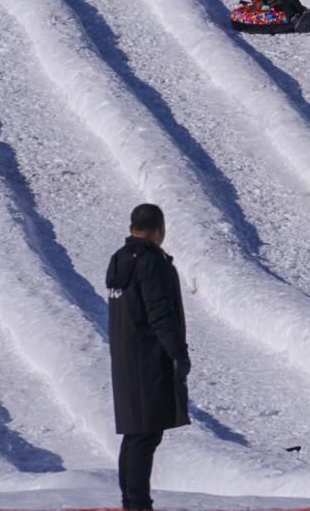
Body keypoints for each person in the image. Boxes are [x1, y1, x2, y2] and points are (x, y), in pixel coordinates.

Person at [106, 204, 190, 511]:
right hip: (149, 357)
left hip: (126, 357)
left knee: (135, 434)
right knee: (145, 435)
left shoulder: (120, 260)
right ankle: (138, 504)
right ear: (160, 229)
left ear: (132, 228)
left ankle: (132, 501)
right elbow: (159, 313)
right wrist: (179, 354)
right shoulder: (151, 262)